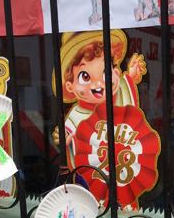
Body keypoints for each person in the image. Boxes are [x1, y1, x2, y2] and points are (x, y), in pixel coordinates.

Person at [57, 30, 146, 169]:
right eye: (85, 77)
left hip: (121, 166)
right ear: (70, 86)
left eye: (106, 73)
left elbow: (123, 91)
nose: (98, 84)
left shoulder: (116, 99)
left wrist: (131, 77)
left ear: (115, 73)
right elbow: (68, 135)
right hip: (91, 171)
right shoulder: (76, 114)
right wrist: (65, 137)